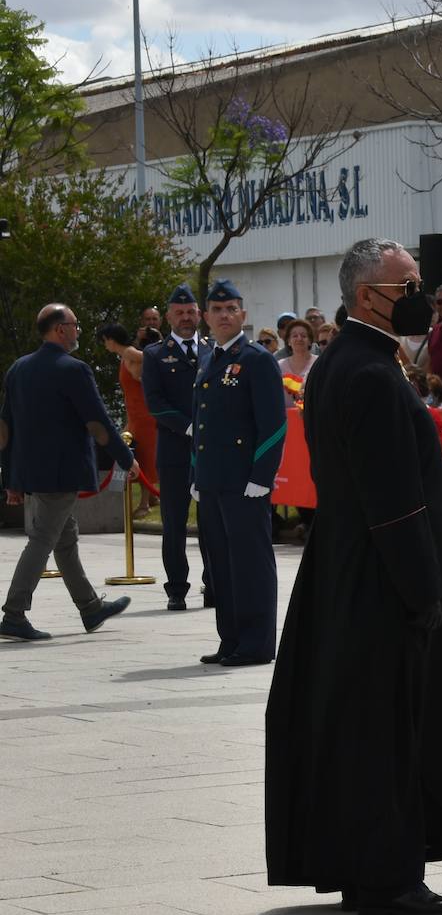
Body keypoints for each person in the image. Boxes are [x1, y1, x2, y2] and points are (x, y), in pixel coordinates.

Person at [266, 238, 442, 915]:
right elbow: (393, 499)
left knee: (364, 723)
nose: (426, 299)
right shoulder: (368, 374)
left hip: (348, 564)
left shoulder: (347, 363)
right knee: (385, 728)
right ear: (368, 295)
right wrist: (425, 590)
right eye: (408, 286)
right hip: (379, 574)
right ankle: (387, 876)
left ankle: (368, 865)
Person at [0, 304, 137, 641]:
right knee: (44, 539)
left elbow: (6, 428)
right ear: (60, 329)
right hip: (61, 471)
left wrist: (10, 479)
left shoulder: (19, 368)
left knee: (65, 539)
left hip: (33, 471)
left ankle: (90, 607)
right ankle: (14, 613)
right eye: (75, 325)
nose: (78, 331)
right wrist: (125, 457)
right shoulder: (73, 370)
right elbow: (98, 421)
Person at [192, 278, 287, 667]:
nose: (224, 315)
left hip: (244, 482)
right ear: (206, 317)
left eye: (231, 309)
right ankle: (230, 638)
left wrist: (261, 478)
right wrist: (197, 475)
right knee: (220, 565)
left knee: (249, 564)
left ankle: (256, 643)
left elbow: (274, 425)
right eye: (217, 310)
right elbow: (202, 423)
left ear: (243, 316)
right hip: (214, 481)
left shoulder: (257, 360)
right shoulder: (209, 358)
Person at [142, 283, 207, 611]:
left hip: (211, 453)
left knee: (212, 521)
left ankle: (215, 583)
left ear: (199, 315)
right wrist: (188, 425)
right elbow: (154, 402)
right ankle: (177, 588)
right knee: (175, 523)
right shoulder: (155, 355)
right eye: (179, 313)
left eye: (190, 312)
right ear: (168, 316)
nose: (185, 318)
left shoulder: (213, 351)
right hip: (174, 452)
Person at [99, 323, 156, 521]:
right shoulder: (125, 356)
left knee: (144, 457)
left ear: (111, 340)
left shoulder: (131, 353)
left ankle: (145, 503)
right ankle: (148, 500)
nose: (105, 345)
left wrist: (139, 375)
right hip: (136, 414)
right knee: (139, 454)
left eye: (105, 341)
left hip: (144, 415)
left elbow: (152, 359)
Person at [278, 318, 318, 397]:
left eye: (303, 336)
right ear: (288, 341)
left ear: (310, 341)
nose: (299, 339)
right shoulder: (279, 366)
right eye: (295, 336)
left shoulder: (319, 363)